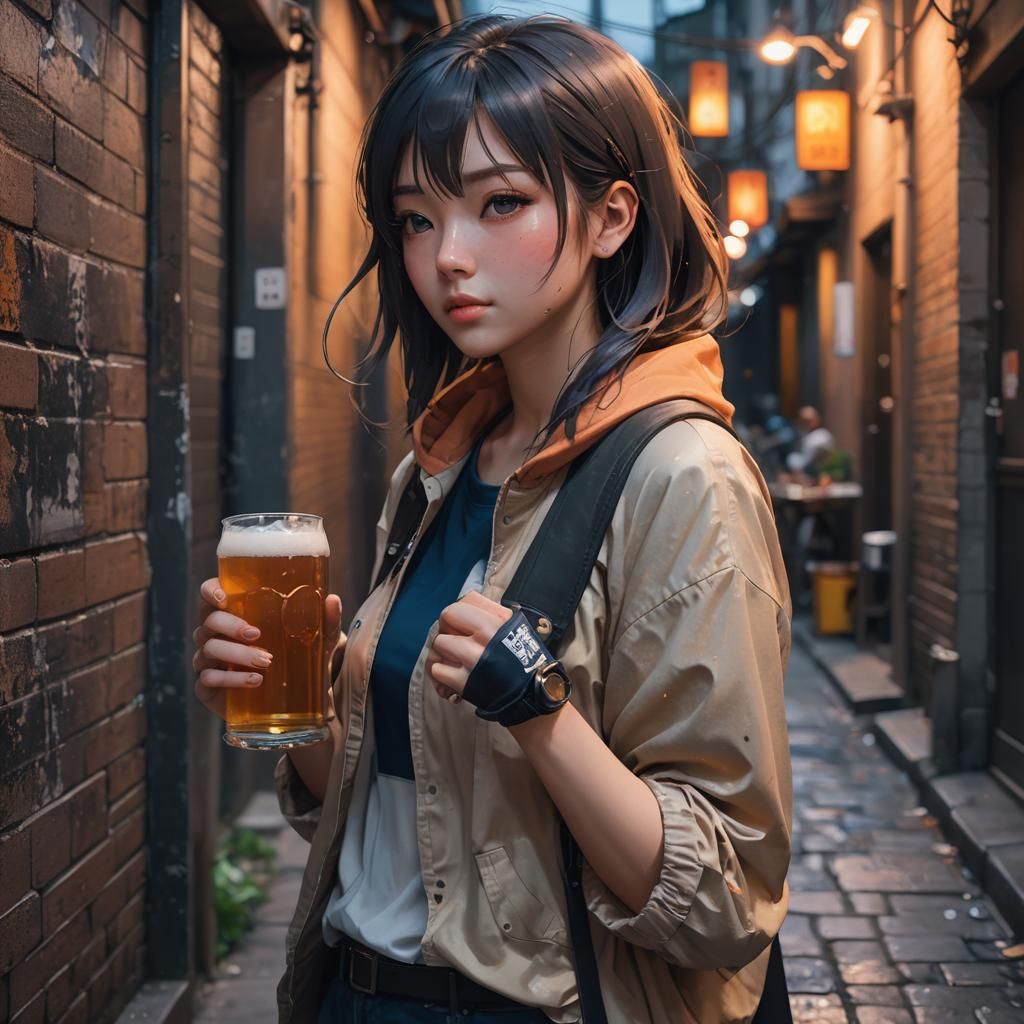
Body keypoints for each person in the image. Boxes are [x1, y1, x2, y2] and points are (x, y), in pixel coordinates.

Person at [192, 15, 792, 1023]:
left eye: (498, 203)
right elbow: (398, 811)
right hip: (352, 991)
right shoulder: (439, 462)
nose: (445, 259)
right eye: (416, 219)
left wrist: (540, 710)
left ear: (612, 217)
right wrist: (288, 706)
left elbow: (726, 896)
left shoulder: (682, 476)